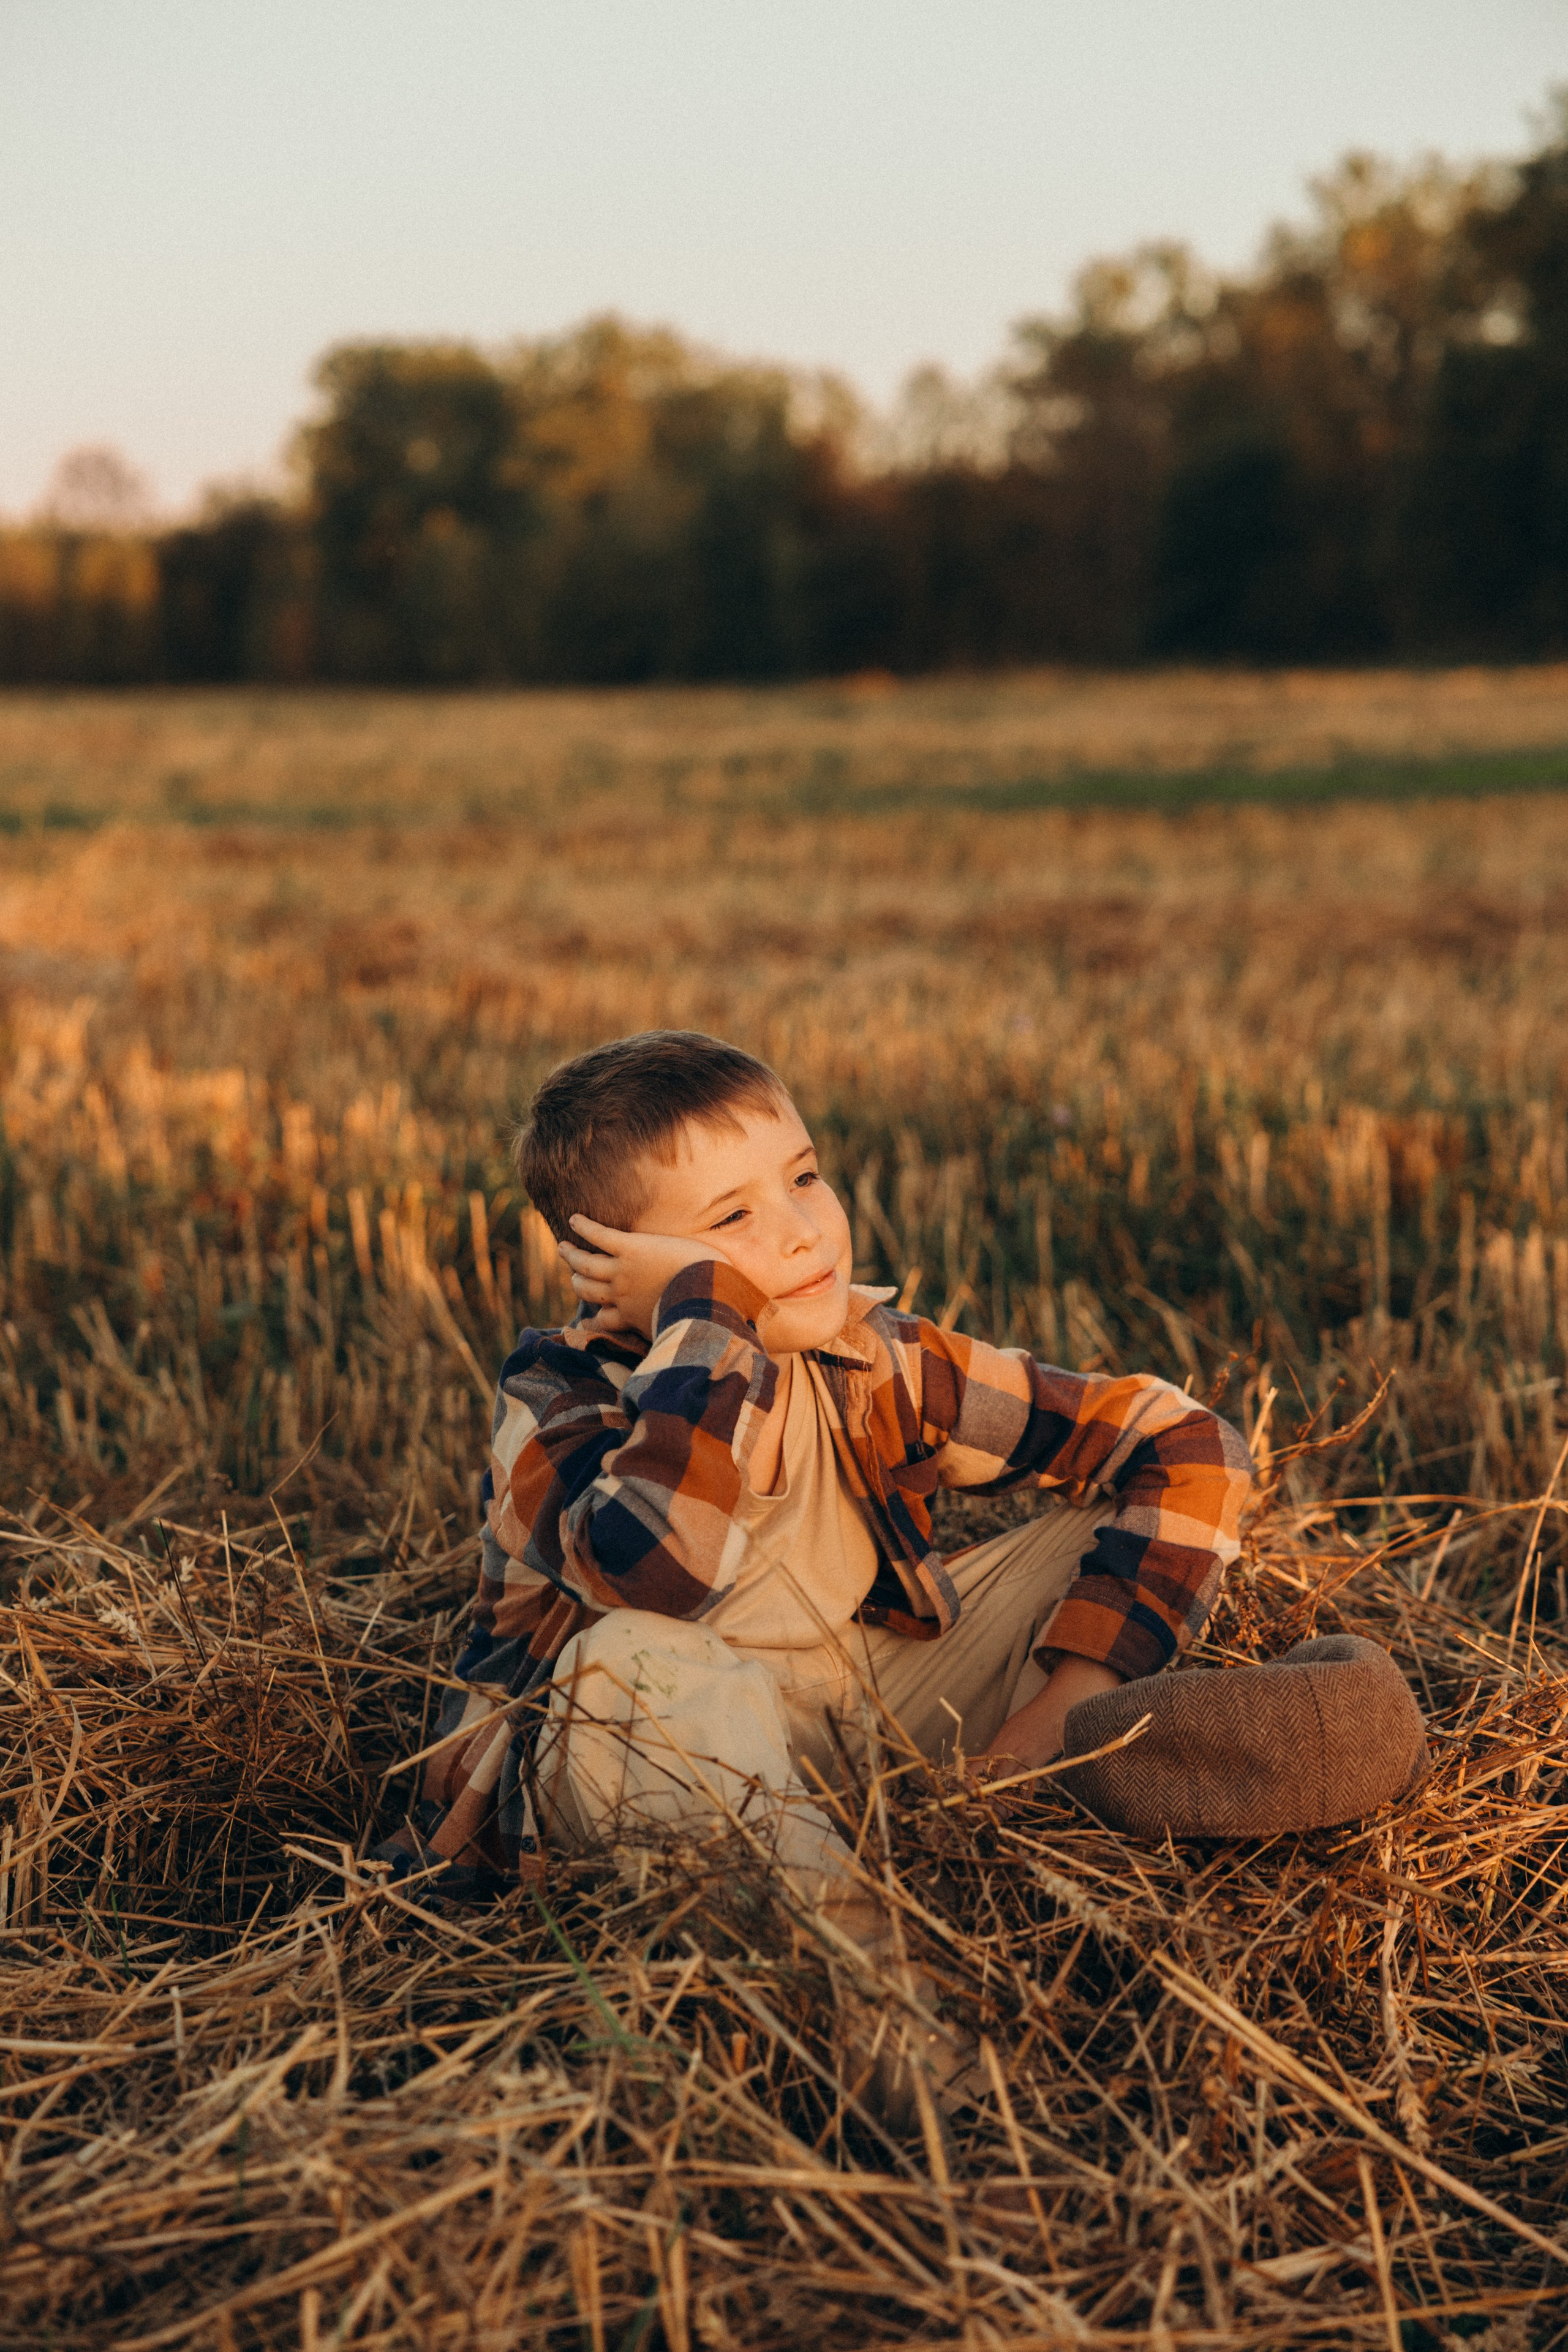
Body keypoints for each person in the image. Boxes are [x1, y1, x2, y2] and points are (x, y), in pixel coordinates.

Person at [381, 1029, 1253, 2119]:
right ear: (620, 1272)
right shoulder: (559, 1403)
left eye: (804, 1177)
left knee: (1108, 1528)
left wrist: (1043, 1724)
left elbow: (1186, 1442)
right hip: (646, 1776)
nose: (801, 1230)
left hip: (852, 1724)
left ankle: (1066, 1766)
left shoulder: (867, 1357)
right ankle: (903, 2028)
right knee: (630, 1663)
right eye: (729, 1221)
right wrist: (708, 1316)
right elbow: (657, 1574)